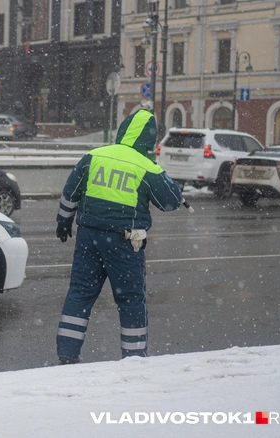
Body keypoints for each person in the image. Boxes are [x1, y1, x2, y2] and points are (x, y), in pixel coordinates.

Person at [55, 109, 183, 365]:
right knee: (130, 300)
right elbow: (171, 202)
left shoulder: (95, 156)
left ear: (123, 131)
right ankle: (134, 358)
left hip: (88, 237)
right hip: (125, 242)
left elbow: (71, 192)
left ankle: (67, 353)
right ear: (149, 139)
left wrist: (63, 220)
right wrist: (159, 170)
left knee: (80, 293)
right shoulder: (146, 166)